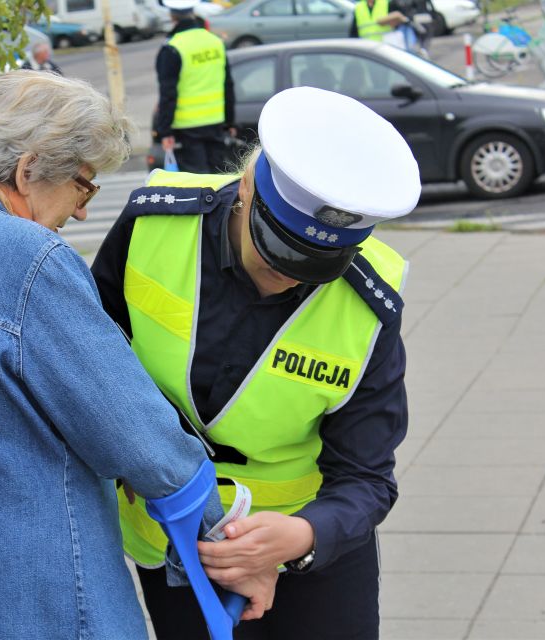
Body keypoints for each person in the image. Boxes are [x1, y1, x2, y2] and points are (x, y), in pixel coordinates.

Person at [0, 71, 275, 639]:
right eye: (83, 186)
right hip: (29, 601)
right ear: (28, 169)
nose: (84, 212)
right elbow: (142, 441)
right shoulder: (25, 255)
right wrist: (229, 551)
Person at [91, 86, 421, 639]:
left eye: (313, 268)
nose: (289, 276)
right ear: (245, 189)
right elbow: (91, 355)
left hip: (312, 558)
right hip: (175, 543)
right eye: (277, 252)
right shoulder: (154, 224)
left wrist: (301, 537)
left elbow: (366, 477)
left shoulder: (370, 307)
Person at [156, 0, 236, 173]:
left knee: (197, 184)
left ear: (171, 15)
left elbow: (168, 93)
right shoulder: (215, 42)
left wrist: (165, 131)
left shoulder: (172, 47)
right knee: (219, 179)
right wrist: (230, 121)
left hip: (187, 128)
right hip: (216, 122)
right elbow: (228, 84)